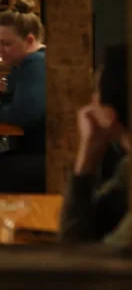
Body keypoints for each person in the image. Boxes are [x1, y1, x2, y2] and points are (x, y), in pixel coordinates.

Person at [60, 44, 129, 246]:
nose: (91, 101)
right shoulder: (127, 167)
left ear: (108, 114)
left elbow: (75, 253)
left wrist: (86, 152)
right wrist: (88, 154)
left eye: (95, 90)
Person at [0, 0, 46, 193]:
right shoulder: (23, 63)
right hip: (35, 152)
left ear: (29, 41)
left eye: (6, 43)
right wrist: (1, 98)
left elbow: (23, 115)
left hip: (46, 158)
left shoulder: (35, 63)